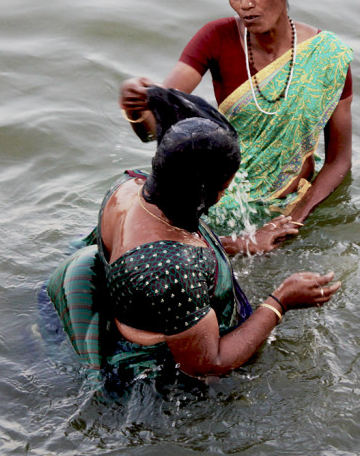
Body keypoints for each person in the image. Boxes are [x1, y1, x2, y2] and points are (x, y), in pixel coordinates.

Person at [44, 86, 340, 390]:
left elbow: (167, 240)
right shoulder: (173, 272)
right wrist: (280, 301)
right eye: (224, 188)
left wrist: (244, 243)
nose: (225, 194)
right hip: (160, 375)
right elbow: (209, 364)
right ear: (199, 193)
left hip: (142, 306)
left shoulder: (129, 189)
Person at [119, 0, 354, 255]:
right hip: (220, 208)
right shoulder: (216, 39)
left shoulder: (328, 57)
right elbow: (155, 127)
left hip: (289, 210)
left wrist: (293, 220)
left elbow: (339, 161)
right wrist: (136, 106)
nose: (246, 5)